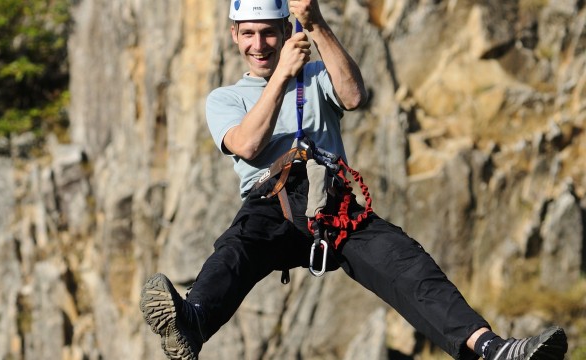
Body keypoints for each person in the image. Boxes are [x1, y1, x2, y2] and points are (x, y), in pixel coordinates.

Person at [140, 1, 569, 359]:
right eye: (249, 33)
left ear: (285, 30)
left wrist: (316, 24)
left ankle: (491, 349)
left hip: (332, 204)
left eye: (269, 32)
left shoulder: (315, 76)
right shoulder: (226, 99)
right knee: (234, 251)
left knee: (406, 263)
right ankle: (191, 324)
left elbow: (353, 95)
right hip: (271, 202)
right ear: (234, 35)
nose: (259, 44)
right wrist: (283, 76)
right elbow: (248, 146)